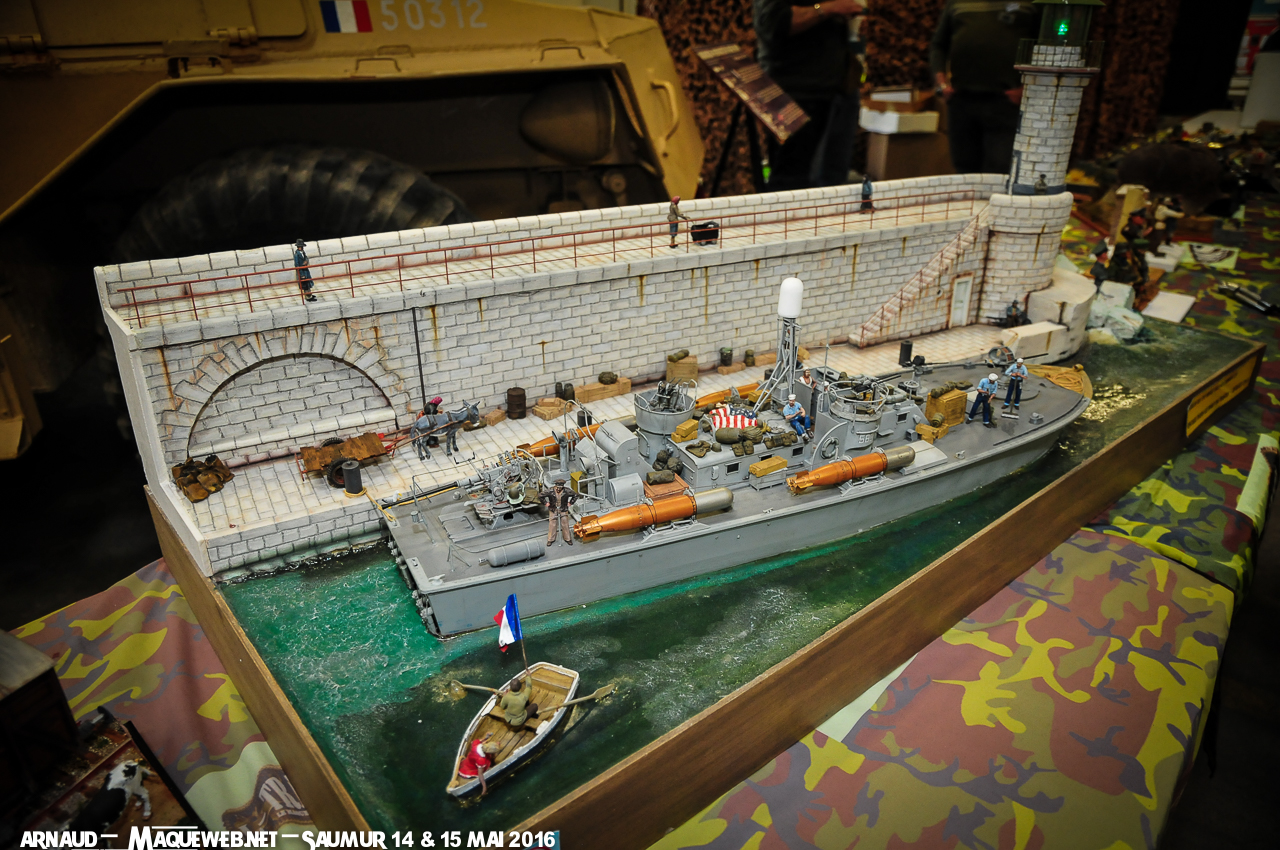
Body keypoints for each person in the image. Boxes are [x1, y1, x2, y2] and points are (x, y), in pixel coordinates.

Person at [754, 1, 866, 190]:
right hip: (799, 96)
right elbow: (773, 23)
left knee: (831, 184)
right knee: (793, 186)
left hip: (837, 89)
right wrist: (831, 8)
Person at [930, 0, 1039, 174]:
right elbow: (938, 45)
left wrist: (1027, 87)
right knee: (964, 168)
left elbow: (1043, 45)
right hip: (961, 100)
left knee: (1000, 169)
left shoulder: (1031, 3)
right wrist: (942, 83)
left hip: (1006, 102)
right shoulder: (956, 3)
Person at [542, 478, 576, 547]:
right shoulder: (550, 490)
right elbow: (540, 495)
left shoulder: (567, 491)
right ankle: (550, 539)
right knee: (552, 524)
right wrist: (545, 503)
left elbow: (575, 495)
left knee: (565, 523)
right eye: (558, 487)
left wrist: (571, 502)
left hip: (563, 509)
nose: (559, 488)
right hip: (553, 509)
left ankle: (568, 538)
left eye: (561, 487)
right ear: (555, 486)